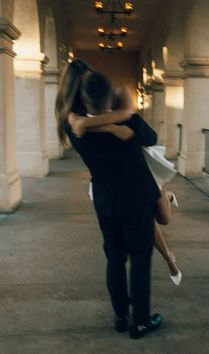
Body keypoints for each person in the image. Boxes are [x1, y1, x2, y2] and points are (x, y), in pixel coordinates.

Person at [56, 66, 165, 339]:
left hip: (105, 201)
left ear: (84, 98)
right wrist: (118, 123)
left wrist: (105, 125)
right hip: (137, 200)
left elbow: (81, 122)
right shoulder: (132, 124)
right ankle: (140, 322)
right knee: (140, 260)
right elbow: (152, 139)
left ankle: (120, 315)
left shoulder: (75, 131)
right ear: (109, 96)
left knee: (114, 258)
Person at [68, 75, 182, 286]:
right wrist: (112, 127)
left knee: (164, 220)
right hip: (129, 190)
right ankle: (170, 260)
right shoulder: (77, 121)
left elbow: (149, 137)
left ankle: (166, 197)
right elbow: (78, 124)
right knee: (147, 228)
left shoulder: (83, 123)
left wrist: (109, 125)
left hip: (140, 179)